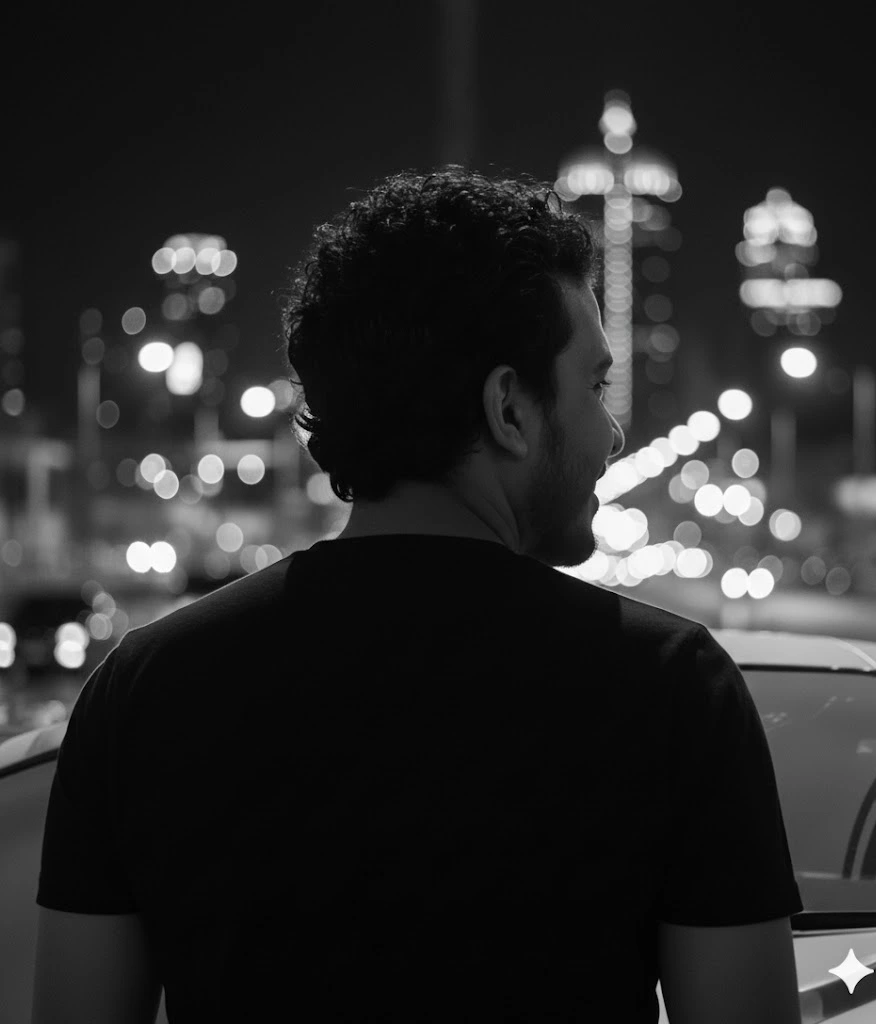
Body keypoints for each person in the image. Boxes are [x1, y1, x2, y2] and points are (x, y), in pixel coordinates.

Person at [32, 166, 803, 1023]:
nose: (613, 432)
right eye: (593, 386)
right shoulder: (673, 689)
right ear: (509, 409)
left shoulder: (142, 692)